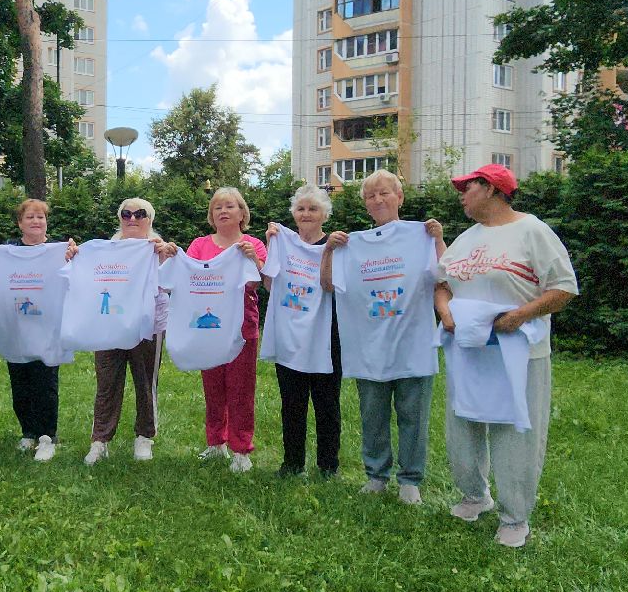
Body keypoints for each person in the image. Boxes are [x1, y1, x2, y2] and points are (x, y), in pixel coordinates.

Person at [435, 163, 578, 548]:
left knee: (515, 431)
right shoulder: (466, 238)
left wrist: (519, 316)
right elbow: (443, 284)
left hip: (518, 352)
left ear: (493, 189)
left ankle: (515, 516)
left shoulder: (532, 231)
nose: (461, 194)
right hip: (469, 348)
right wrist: (446, 312)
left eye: (468, 187)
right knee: (462, 424)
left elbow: (563, 288)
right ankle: (474, 496)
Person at [325, 170, 446, 504]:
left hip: (413, 343)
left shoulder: (420, 236)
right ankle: (376, 475)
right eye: (370, 196)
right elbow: (330, 285)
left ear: (400, 197)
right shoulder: (353, 245)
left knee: (414, 417)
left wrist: (436, 240)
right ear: (365, 204)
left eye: (384, 193)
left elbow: (444, 274)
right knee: (373, 415)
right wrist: (329, 252)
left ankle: (410, 481)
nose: (377, 200)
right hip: (369, 347)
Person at [80, 198, 180, 465]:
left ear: (150, 219)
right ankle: (100, 440)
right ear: (120, 218)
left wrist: (167, 258)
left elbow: (175, 283)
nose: (133, 218)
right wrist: (73, 257)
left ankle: (144, 437)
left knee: (146, 382)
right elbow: (85, 276)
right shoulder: (106, 250)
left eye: (140, 214)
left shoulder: (159, 249)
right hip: (109, 324)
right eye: (126, 213)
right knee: (107, 382)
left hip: (148, 326)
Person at [0, 199, 73, 460]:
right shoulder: (3, 252)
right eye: (29, 217)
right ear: (20, 223)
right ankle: (28, 432)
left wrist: (73, 256)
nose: (36, 221)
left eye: (40, 217)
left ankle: (47, 435)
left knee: (46, 381)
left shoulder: (59, 252)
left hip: (48, 328)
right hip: (15, 328)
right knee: (20, 381)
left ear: (46, 222)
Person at [186, 187, 267, 473]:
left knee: (241, 389)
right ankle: (215, 442)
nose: (223, 211)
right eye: (217, 207)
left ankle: (241, 449)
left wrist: (251, 260)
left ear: (242, 213)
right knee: (213, 386)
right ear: (211, 215)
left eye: (230, 206)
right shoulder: (198, 245)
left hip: (243, 327)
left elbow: (257, 282)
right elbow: (188, 277)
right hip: (208, 328)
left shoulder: (253, 245)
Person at [264, 185, 341, 478]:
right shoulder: (282, 242)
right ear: (293, 214)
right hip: (289, 334)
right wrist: (269, 243)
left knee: (327, 403)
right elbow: (271, 286)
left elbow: (331, 286)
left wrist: (331, 250)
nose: (306, 214)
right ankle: (292, 462)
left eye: (313, 209)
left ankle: (328, 465)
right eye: (301, 209)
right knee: (292, 403)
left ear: (325, 214)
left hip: (325, 334)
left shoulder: (335, 244)